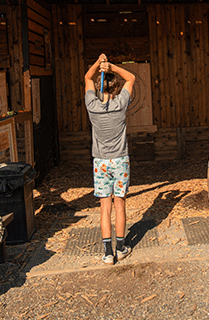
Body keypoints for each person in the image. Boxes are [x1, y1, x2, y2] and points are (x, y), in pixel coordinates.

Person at [84, 53, 136, 264]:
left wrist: (98, 64)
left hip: (101, 162)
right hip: (120, 160)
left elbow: (87, 78)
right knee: (120, 205)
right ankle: (121, 248)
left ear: (98, 88)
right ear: (116, 88)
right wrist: (111, 67)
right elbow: (131, 78)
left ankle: (107, 252)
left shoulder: (92, 106)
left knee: (105, 207)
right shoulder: (121, 104)